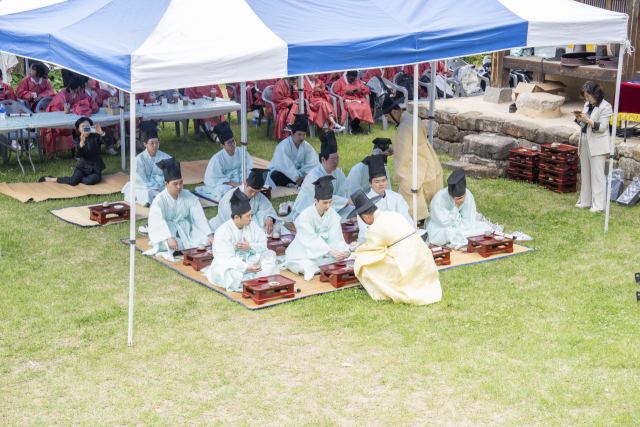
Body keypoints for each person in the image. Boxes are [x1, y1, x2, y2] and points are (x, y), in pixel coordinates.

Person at [352, 190, 442, 305]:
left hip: (407, 263)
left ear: (366, 217)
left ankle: (385, 287)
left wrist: (359, 249)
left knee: (363, 260)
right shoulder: (392, 214)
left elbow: (372, 250)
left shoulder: (375, 227)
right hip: (422, 256)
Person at [376, 93, 443, 221]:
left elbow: (404, 156)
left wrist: (399, 173)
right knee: (428, 192)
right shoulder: (412, 118)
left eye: (387, 117)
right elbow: (411, 142)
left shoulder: (404, 127)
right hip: (428, 157)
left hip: (417, 163)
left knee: (410, 193)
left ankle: (415, 221)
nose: (389, 120)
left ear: (394, 112)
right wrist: (395, 149)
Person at [203, 189, 279, 292]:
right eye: (248, 216)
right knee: (230, 274)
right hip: (235, 265)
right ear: (236, 217)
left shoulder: (252, 225)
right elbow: (226, 258)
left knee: (270, 254)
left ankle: (256, 280)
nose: (251, 218)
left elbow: (263, 244)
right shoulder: (222, 232)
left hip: (252, 259)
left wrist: (250, 247)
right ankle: (254, 280)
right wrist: (246, 267)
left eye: (251, 215)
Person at [145, 157, 213, 262]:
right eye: (175, 184)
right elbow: (157, 221)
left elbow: (198, 215)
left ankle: (181, 249)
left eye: (181, 182)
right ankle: (176, 246)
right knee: (167, 244)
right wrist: (168, 237)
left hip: (186, 229)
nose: (179, 186)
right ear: (166, 184)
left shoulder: (187, 195)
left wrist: (209, 234)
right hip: (168, 231)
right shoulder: (159, 200)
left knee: (204, 239)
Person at [284, 176, 350, 281]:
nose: (328, 206)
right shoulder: (305, 216)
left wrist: (337, 252)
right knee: (306, 265)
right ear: (315, 200)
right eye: (325, 202)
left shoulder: (332, 213)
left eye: (330, 202)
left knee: (349, 256)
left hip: (327, 250)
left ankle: (327, 263)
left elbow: (336, 236)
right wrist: (330, 252)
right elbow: (310, 239)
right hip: (305, 249)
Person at [284, 131, 353, 222]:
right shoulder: (314, 175)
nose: (336, 162)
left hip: (332, 208)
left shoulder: (339, 174)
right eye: (333, 160)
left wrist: (344, 202)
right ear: (323, 159)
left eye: (337, 159)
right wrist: (345, 202)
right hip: (311, 209)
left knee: (352, 210)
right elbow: (322, 197)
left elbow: (343, 193)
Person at [424, 169, 493, 250]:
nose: (462, 200)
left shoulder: (468, 195)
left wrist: (462, 231)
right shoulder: (439, 200)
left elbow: (468, 219)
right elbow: (445, 222)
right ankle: (463, 241)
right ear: (450, 195)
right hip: (440, 227)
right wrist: (457, 206)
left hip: (461, 226)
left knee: (484, 227)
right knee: (450, 233)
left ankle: (462, 241)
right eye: (459, 198)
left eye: (463, 196)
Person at [573, 81, 613, 213]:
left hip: (597, 143)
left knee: (597, 175)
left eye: (589, 96)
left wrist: (587, 120)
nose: (587, 99)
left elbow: (602, 128)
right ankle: (585, 201)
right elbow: (583, 124)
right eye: (585, 97)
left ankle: (599, 205)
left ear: (596, 94)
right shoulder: (587, 104)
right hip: (584, 140)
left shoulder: (606, 107)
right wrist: (579, 118)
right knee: (585, 172)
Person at [209, 168, 284, 237]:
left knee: (277, 226)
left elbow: (267, 210)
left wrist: (269, 217)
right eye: (251, 190)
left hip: (251, 224)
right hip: (234, 226)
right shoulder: (230, 197)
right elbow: (227, 219)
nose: (253, 194)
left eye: (257, 192)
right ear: (245, 184)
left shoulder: (259, 196)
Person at [355, 155, 412, 243]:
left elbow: (406, 219)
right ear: (370, 183)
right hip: (376, 241)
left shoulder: (396, 197)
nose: (381, 184)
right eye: (377, 182)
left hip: (399, 237)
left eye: (383, 180)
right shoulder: (364, 201)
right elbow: (366, 229)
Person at [39, 118, 112, 186]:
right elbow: (78, 155)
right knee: (73, 182)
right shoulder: (77, 140)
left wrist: (102, 133)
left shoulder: (97, 137)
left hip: (95, 169)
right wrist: (82, 143)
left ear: (91, 127)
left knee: (89, 181)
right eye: (83, 127)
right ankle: (52, 179)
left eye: (87, 126)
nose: (86, 128)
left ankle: (80, 179)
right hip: (82, 167)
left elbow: (110, 143)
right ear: (79, 129)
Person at [121, 120, 172, 214]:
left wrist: (165, 186)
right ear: (145, 144)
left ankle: (162, 199)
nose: (155, 145)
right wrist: (155, 188)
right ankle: (161, 201)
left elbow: (172, 176)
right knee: (147, 193)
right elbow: (139, 180)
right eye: (152, 143)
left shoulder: (166, 157)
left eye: (157, 142)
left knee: (175, 189)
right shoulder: (138, 160)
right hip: (145, 187)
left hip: (162, 186)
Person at [195, 121, 254, 201]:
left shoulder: (242, 153)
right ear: (222, 145)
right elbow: (216, 178)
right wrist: (236, 185)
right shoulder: (217, 159)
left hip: (241, 181)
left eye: (233, 141)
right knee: (224, 190)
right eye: (229, 143)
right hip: (226, 184)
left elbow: (247, 169)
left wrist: (243, 182)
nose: (233, 144)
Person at [266, 113, 319, 188]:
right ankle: (299, 182)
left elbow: (313, 162)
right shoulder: (283, 147)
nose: (301, 137)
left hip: (300, 172)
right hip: (285, 172)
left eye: (304, 135)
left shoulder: (306, 146)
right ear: (292, 133)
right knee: (275, 175)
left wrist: (307, 174)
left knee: (317, 171)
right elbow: (282, 166)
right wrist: (296, 178)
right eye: (299, 134)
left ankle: (298, 181)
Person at [41, 74, 85, 159]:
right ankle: (76, 153)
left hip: (71, 118)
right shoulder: (62, 95)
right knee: (74, 128)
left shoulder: (77, 93)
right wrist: (73, 111)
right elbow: (57, 112)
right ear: (78, 86)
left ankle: (79, 151)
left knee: (80, 126)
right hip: (56, 120)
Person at [332, 70, 373, 135]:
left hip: (357, 99)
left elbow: (366, 89)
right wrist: (345, 92)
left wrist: (360, 91)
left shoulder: (357, 81)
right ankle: (355, 127)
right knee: (353, 108)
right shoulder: (339, 82)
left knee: (365, 105)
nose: (352, 81)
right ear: (346, 75)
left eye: (353, 79)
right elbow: (335, 94)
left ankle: (355, 126)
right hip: (345, 100)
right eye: (350, 79)